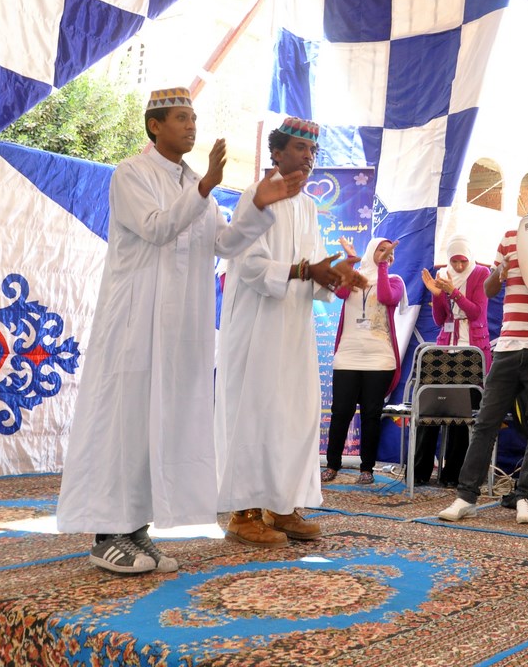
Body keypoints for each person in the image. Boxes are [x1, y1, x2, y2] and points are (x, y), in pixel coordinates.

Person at [56, 88, 303, 574]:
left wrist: (257, 204)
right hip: (135, 323)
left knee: (161, 424)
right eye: (181, 118)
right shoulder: (132, 173)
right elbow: (156, 227)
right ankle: (107, 534)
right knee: (126, 423)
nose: (191, 126)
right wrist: (206, 186)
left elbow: (224, 243)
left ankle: (136, 529)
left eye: (193, 118)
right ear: (155, 125)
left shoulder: (193, 183)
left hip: (179, 330)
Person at [215, 116, 358, 548]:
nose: (309, 157)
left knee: (294, 414)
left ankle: (281, 506)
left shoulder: (308, 207)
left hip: (294, 328)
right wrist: (307, 271)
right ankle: (243, 513)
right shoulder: (255, 196)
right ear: (276, 153)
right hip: (257, 327)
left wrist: (338, 275)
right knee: (255, 413)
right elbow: (250, 266)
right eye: (300, 148)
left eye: (313, 150)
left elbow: (315, 266)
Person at [439, 179, 528, 525]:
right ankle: (465, 497)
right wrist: (499, 272)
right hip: (508, 346)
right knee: (486, 422)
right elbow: (490, 289)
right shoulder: (510, 238)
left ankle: (526, 499)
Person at [324, 237, 406, 484]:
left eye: (390, 252)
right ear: (370, 251)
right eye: (381, 250)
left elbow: (386, 297)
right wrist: (351, 261)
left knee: (371, 414)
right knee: (341, 412)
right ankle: (332, 465)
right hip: (348, 355)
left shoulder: (394, 280)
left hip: (379, 357)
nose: (387, 254)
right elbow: (340, 292)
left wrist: (382, 266)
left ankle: (366, 469)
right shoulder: (354, 278)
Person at [415, 236, 493, 486]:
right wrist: (438, 295)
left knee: (463, 415)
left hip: (472, 352)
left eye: (463, 261)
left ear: (470, 258)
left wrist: (453, 292)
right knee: (432, 410)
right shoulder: (442, 275)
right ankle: (419, 472)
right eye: (454, 261)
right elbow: (440, 320)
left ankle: (454, 474)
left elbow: (476, 312)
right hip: (445, 351)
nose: (458, 266)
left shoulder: (481, 274)